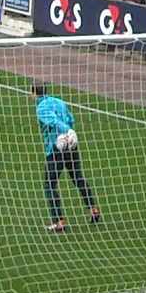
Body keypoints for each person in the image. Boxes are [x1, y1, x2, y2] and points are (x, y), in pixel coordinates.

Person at [33, 83, 100, 232]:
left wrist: (67, 132)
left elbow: (55, 121)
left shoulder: (41, 107)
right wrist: (71, 134)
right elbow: (70, 118)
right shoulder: (60, 102)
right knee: (77, 177)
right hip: (72, 146)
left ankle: (59, 221)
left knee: (50, 184)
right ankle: (93, 209)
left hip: (57, 148)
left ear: (33, 93)